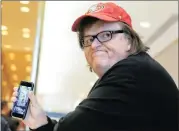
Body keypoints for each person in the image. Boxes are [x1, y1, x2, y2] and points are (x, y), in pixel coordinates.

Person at [11, 2, 179, 131]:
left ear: (129, 41)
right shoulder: (132, 73)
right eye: (89, 39)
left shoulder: (132, 72)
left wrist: (42, 124)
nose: (94, 45)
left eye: (106, 35)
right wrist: (40, 121)